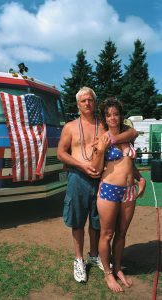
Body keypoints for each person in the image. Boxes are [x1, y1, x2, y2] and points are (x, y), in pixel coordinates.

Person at [57, 87, 138, 283]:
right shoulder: (70, 127)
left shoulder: (103, 124)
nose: (87, 103)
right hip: (78, 177)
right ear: (78, 104)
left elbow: (131, 132)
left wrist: (113, 140)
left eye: (90, 100)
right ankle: (78, 259)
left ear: (94, 102)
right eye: (83, 101)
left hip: (101, 179)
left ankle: (95, 255)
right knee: (77, 220)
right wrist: (82, 165)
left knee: (97, 223)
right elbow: (61, 153)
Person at [96, 98, 146, 292]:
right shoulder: (103, 138)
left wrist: (140, 178)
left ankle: (117, 268)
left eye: (116, 114)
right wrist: (101, 150)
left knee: (122, 233)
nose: (113, 118)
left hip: (129, 190)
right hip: (110, 190)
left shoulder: (128, 135)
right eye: (108, 115)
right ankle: (108, 274)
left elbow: (129, 165)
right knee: (107, 234)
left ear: (120, 115)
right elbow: (97, 166)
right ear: (105, 118)